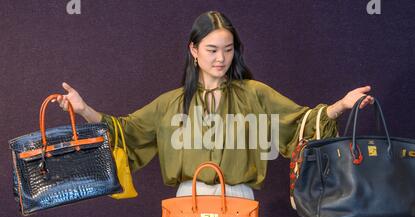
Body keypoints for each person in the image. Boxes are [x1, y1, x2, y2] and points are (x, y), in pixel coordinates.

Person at [55, 11, 374, 200]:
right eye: (211, 49)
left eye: (228, 49)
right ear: (193, 50)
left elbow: (301, 123)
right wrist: (83, 109)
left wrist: (342, 105)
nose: (220, 58)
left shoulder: (254, 94)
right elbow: (125, 131)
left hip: (238, 198)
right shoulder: (172, 103)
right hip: (186, 199)